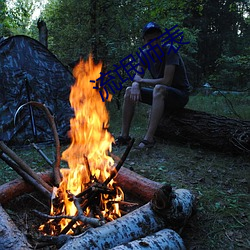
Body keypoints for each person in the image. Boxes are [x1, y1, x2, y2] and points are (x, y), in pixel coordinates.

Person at [115, 21, 191, 148]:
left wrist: (141, 81)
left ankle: (149, 139)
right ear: (144, 41)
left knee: (159, 88)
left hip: (179, 95)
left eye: (156, 39)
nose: (153, 43)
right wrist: (135, 85)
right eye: (150, 40)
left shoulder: (170, 50)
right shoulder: (144, 54)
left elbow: (167, 81)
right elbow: (137, 76)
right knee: (128, 91)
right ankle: (124, 136)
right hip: (161, 95)